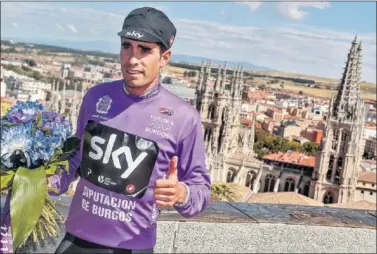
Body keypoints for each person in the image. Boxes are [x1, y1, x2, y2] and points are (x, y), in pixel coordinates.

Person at [53, 6, 211, 254]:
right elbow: (74, 160)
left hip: (131, 248)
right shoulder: (96, 97)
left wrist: (181, 193)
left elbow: (200, 192)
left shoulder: (184, 117)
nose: (133, 59)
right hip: (75, 241)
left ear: (165, 57)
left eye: (145, 49)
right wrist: (41, 179)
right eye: (127, 46)